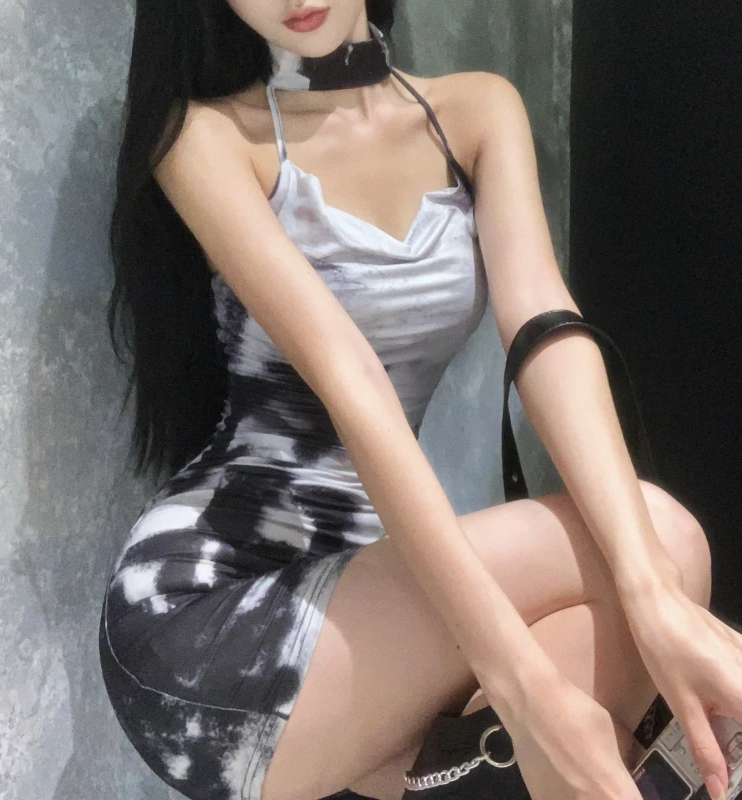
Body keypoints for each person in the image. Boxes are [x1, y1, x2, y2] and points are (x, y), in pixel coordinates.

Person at [97, 3, 741, 800]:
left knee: (656, 571)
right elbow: (351, 381)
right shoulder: (206, 137)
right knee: (664, 548)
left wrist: (650, 594)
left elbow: (545, 328)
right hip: (208, 617)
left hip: (376, 591)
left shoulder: (477, 112)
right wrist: (524, 688)